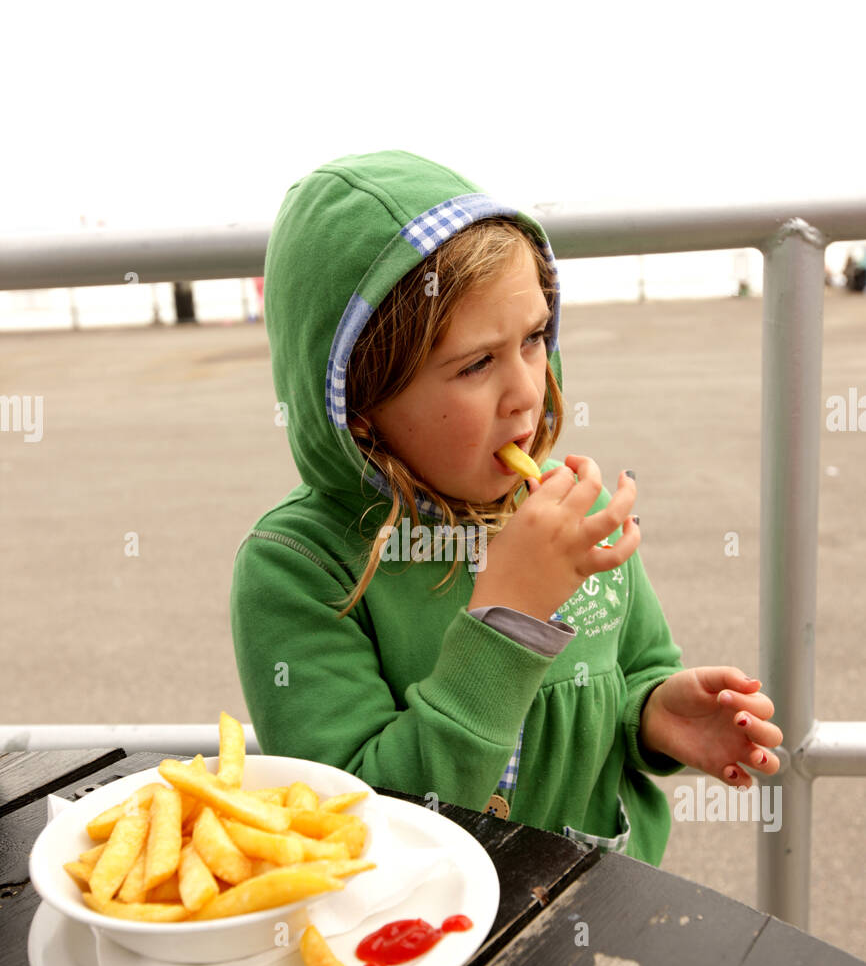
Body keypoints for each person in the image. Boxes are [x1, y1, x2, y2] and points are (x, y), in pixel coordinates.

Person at [230, 149, 782, 865]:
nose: (528, 388)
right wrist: (506, 624)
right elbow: (355, 823)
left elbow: (635, 667)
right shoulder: (296, 568)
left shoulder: (565, 507)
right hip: (418, 939)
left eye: (533, 338)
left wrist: (654, 712)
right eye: (476, 364)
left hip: (601, 901)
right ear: (357, 407)